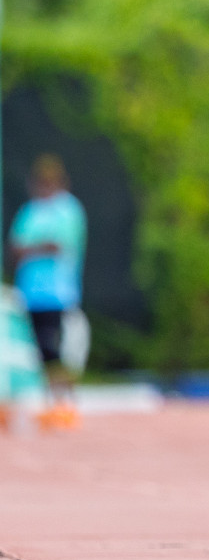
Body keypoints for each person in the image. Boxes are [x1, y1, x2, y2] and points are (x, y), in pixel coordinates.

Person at [8, 155, 87, 429]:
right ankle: (53, 403)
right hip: (30, 291)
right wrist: (36, 248)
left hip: (57, 291)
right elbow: (16, 247)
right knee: (42, 351)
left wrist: (31, 249)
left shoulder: (67, 209)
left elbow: (56, 246)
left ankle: (65, 402)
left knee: (53, 347)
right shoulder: (31, 210)